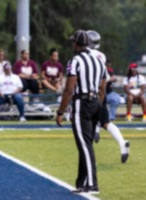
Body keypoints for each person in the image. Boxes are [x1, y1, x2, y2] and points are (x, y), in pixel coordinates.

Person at [56, 30, 106, 194]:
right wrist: (97, 103)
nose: (72, 45)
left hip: (82, 103)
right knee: (86, 145)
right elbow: (103, 87)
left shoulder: (75, 60)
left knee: (84, 145)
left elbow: (69, 89)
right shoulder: (99, 60)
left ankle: (92, 184)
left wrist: (60, 111)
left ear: (77, 44)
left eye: (73, 42)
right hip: (95, 102)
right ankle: (83, 182)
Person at [87, 30, 129, 163]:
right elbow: (104, 76)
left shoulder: (84, 55)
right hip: (101, 91)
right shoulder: (102, 56)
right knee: (106, 121)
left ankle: (91, 142)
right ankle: (122, 142)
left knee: (84, 120)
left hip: (88, 91)